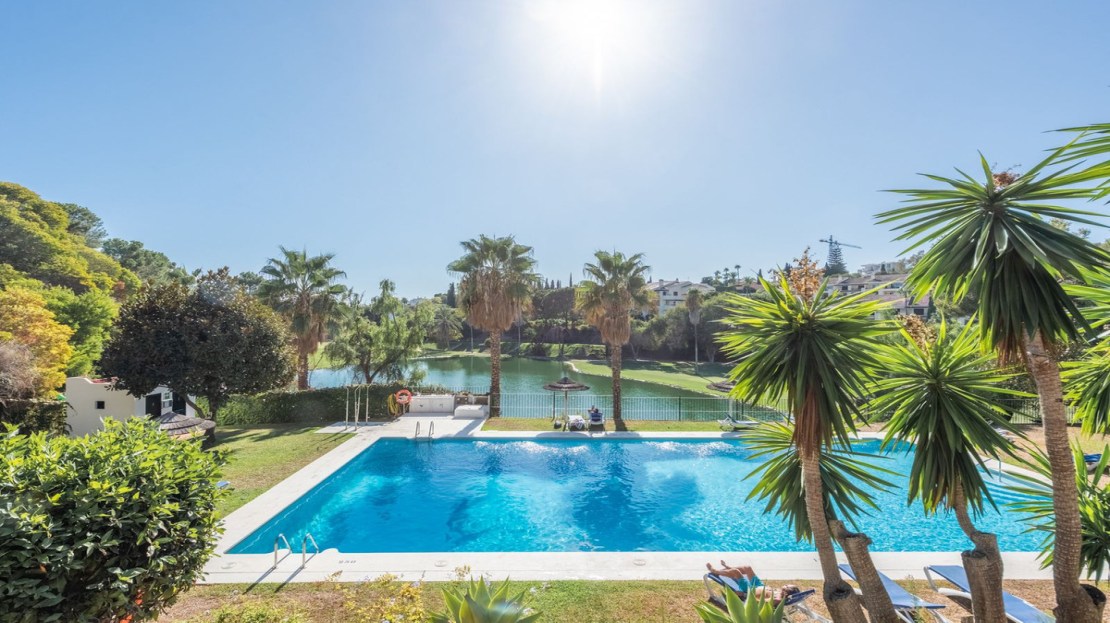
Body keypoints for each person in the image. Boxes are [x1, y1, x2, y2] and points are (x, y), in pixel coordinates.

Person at [705, 561, 801, 604]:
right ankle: (728, 568)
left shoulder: (778, 599)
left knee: (736, 572)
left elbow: (760, 602)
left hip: (749, 590)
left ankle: (715, 571)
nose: (785, 584)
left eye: (787, 586)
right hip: (759, 585)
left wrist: (743, 595)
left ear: (787, 591)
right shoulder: (780, 593)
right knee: (748, 568)